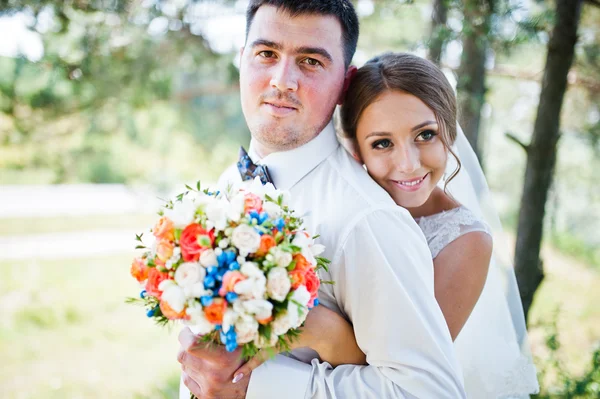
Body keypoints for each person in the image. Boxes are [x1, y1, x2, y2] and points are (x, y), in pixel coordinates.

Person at [177, 1, 467, 398]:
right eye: (266, 54)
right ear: (242, 58)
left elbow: (428, 392)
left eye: (310, 61)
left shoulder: (366, 220)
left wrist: (255, 387)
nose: (283, 80)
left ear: (344, 84)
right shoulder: (227, 185)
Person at [233, 53, 540, 398]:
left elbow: (398, 376)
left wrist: (326, 333)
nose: (408, 164)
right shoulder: (341, 210)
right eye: (382, 143)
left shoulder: (465, 241)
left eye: (425, 135)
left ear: (450, 132)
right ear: (353, 148)